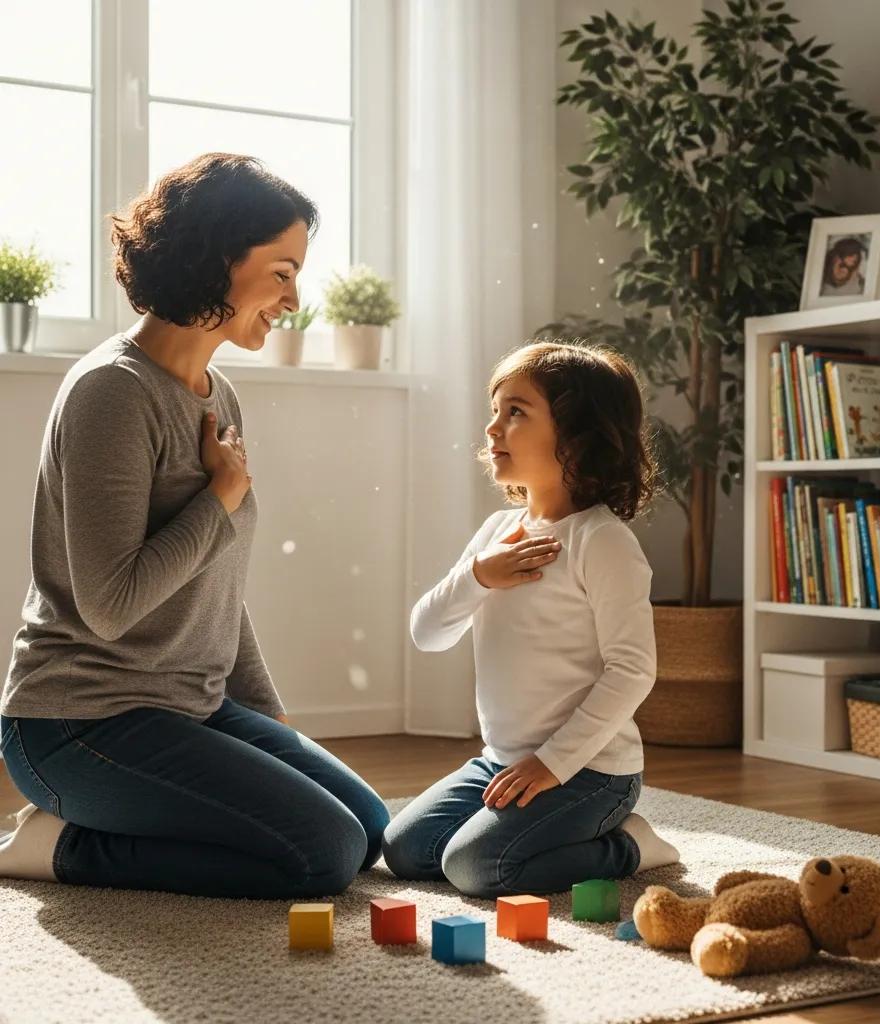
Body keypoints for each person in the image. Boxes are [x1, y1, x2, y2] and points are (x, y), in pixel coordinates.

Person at [0, 153, 389, 898]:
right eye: (281, 272)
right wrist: (219, 499)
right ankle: (61, 846)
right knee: (323, 854)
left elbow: (216, 579)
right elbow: (109, 607)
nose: (293, 297)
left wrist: (270, 719)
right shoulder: (112, 393)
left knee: (367, 825)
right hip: (79, 721)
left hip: (191, 706)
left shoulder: (219, 394)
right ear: (217, 259)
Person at [382, 341, 680, 899]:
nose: (493, 429)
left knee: (476, 868)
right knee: (405, 851)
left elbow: (632, 671)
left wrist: (552, 764)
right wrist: (478, 576)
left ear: (578, 435)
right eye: (494, 411)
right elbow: (427, 633)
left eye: (516, 412)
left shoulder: (603, 541)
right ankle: (550, 826)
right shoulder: (497, 533)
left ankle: (633, 845)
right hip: (501, 761)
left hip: (591, 772)